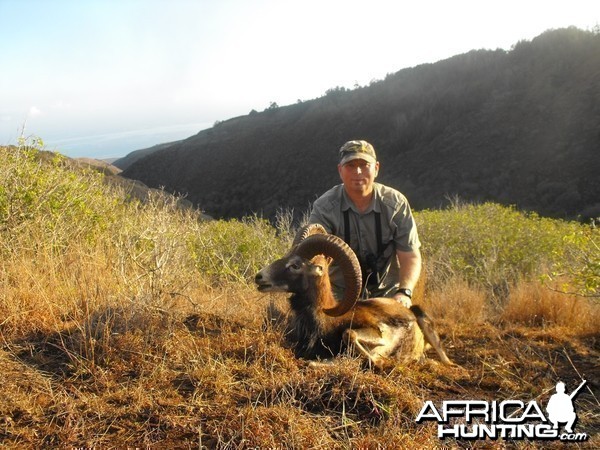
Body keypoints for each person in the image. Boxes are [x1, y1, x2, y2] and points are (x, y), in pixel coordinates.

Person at [308, 140, 421, 307]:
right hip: (338, 294)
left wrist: (404, 292)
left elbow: (410, 255)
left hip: (387, 294)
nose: (358, 172)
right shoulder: (324, 207)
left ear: (376, 168)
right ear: (340, 170)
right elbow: (315, 259)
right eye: (350, 165)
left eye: (364, 165)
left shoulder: (396, 204)